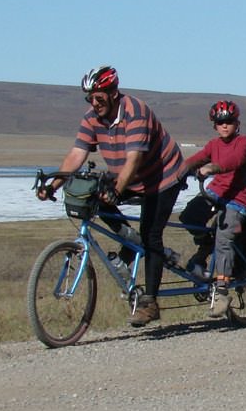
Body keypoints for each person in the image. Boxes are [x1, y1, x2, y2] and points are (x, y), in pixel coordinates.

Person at [36, 65, 186, 327]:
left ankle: (149, 303)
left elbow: (134, 159)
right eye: (90, 98)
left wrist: (116, 191)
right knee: (95, 198)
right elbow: (77, 154)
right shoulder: (91, 117)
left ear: (114, 92)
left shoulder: (135, 112)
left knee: (151, 234)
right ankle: (130, 242)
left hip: (162, 176)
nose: (94, 103)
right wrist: (54, 185)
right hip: (129, 173)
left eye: (99, 97)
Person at [179, 100, 246, 318]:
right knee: (189, 216)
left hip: (237, 200)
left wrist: (212, 167)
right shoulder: (213, 144)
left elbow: (234, 160)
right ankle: (204, 250)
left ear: (236, 123)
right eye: (220, 122)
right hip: (215, 193)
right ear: (214, 125)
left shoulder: (244, 142)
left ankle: (222, 292)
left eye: (229, 121)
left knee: (224, 238)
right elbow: (196, 158)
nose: (224, 126)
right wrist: (179, 171)